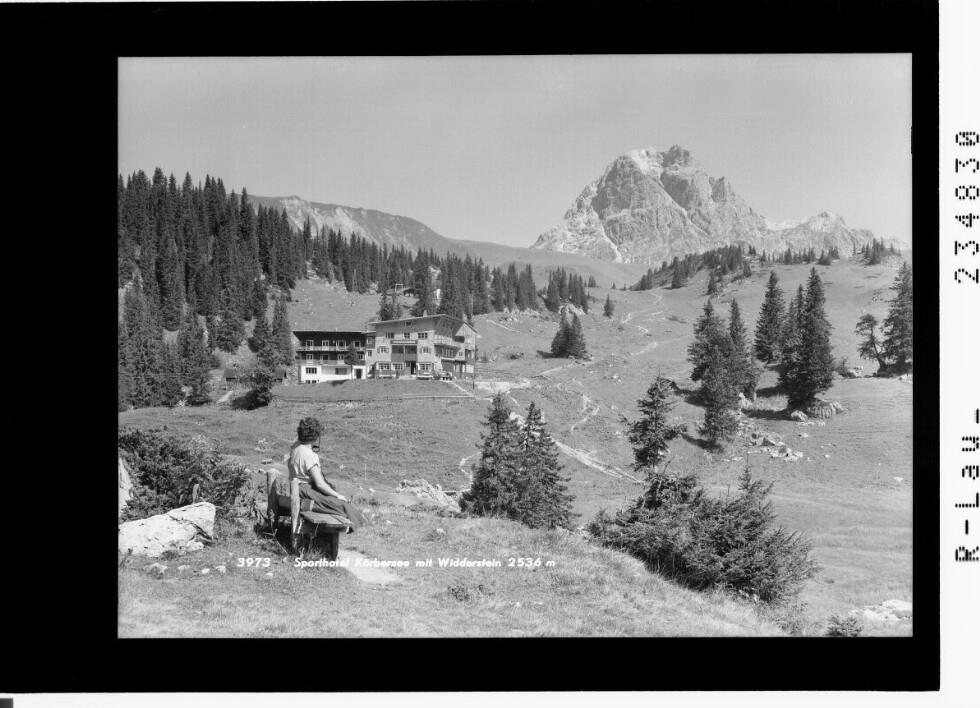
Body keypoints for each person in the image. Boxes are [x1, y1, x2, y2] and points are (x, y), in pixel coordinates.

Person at [288, 417, 368, 531]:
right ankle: (358, 525)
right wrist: (337, 495)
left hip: (296, 491)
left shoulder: (295, 448)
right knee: (341, 504)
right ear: (315, 436)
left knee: (333, 500)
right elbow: (320, 484)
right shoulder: (309, 455)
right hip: (307, 493)